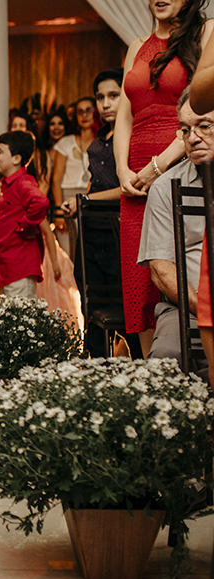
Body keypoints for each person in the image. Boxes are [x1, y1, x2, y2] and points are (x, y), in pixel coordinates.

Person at [114, 0, 212, 358]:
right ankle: (153, 385)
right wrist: (123, 170)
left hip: (184, 158)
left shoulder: (207, 32)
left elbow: (199, 106)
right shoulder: (136, 45)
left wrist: (159, 167)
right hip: (135, 175)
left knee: (182, 266)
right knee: (141, 286)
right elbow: (124, 115)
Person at [60, 68, 140, 358]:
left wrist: (86, 199)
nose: (105, 103)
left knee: (125, 304)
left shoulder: (132, 134)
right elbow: (97, 180)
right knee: (89, 301)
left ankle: (136, 369)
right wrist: (83, 202)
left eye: (113, 95)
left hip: (121, 229)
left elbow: (130, 185)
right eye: (100, 97)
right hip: (92, 228)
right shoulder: (101, 137)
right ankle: (96, 366)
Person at [137, 87, 211, 378]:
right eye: (185, 129)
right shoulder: (166, 187)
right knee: (165, 362)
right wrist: (205, 310)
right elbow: (161, 270)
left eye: (204, 126)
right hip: (184, 309)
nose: (192, 138)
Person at [0, 131, 50, 298]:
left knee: (19, 319)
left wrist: (25, 226)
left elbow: (41, 202)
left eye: (0, 151)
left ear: (16, 159)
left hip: (20, 266)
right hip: (8, 266)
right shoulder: (8, 183)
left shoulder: (23, 182)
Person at [52, 97, 96, 256]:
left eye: (89, 110)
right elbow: (56, 179)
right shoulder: (65, 142)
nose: (85, 115)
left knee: (86, 250)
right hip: (65, 198)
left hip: (90, 196)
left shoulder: (101, 142)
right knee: (66, 250)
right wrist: (58, 211)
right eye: (80, 112)